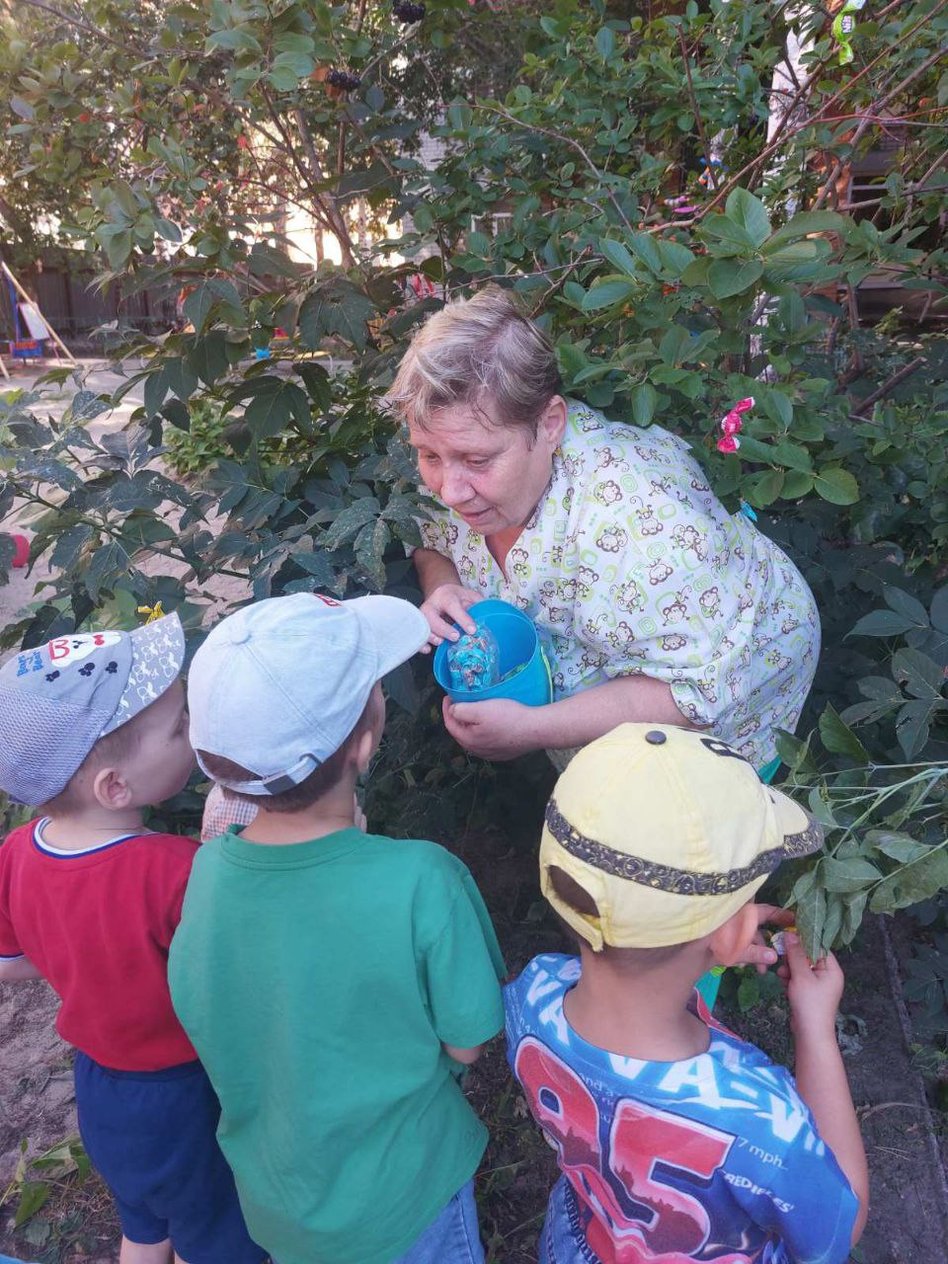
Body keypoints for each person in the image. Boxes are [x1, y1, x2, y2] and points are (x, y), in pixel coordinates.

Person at [168, 592, 506, 1264]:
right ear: (366, 743)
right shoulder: (421, 879)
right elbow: (470, 1042)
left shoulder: (206, 875)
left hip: (283, 1204)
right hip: (407, 1196)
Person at [386, 286, 820, 773]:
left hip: (728, 693)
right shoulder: (460, 456)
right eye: (428, 456)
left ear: (549, 425)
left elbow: (691, 697)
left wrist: (532, 730)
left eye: (478, 460)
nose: (448, 491)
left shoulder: (643, 523)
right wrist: (443, 588)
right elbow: (430, 541)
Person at [505, 722, 869, 1264]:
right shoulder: (760, 1119)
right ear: (727, 936)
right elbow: (846, 1220)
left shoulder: (531, 993)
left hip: (586, 1237)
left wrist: (714, 939)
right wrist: (815, 1031)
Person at [0, 616, 264, 1264]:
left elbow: (8, 963)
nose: (194, 731)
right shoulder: (175, 870)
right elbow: (241, 967)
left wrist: (84, 966)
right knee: (220, 1235)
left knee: (145, 1226)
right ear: (114, 787)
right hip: (188, 1095)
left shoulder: (16, 854)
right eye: (180, 727)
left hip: (102, 1092)